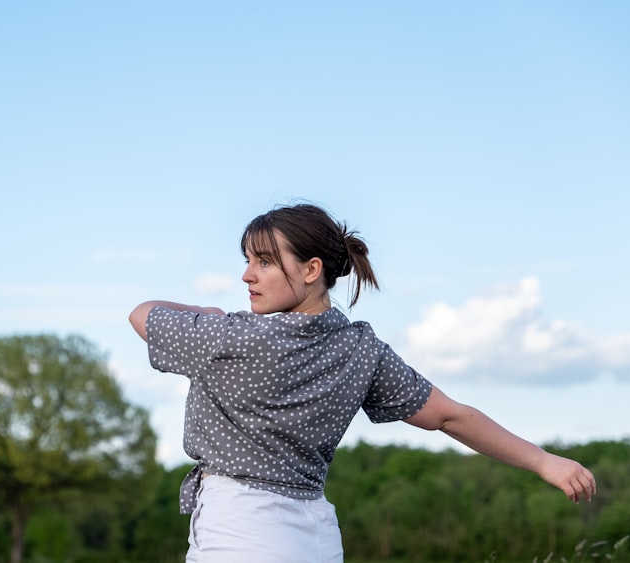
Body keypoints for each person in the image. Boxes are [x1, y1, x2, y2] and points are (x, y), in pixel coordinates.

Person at [129, 203, 596, 563]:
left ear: (312, 270)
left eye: (266, 262)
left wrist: (204, 313)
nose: (248, 274)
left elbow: (142, 315)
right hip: (317, 535)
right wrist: (543, 462)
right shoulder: (361, 349)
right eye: (249, 259)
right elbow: (450, 416)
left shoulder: (231, 336)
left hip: (240, 530)